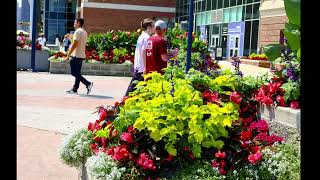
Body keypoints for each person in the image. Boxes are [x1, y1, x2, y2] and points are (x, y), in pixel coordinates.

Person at [124, 18, 155, 96]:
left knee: (134, 90)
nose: (155, 28)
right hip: (141, 68)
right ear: (149, 27)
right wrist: (145, 68)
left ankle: (122, 104)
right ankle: (121, 105)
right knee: (132, 91)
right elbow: (144, 52)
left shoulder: (142, 36)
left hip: (138, 67)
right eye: (153, 26)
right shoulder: (146, 38)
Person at [64, 18, 93, 95]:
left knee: (74, 72)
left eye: (75, 22)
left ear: (79, 23)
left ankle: (88, 84)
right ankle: (75, 89)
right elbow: (77, 42)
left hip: (76, 55)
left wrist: (68, 54)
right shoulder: (84, 32)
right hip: (81, 55)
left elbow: (75, 44)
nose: (74, 23)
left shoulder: (78, 31)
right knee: (77, 73)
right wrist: (70, 36)